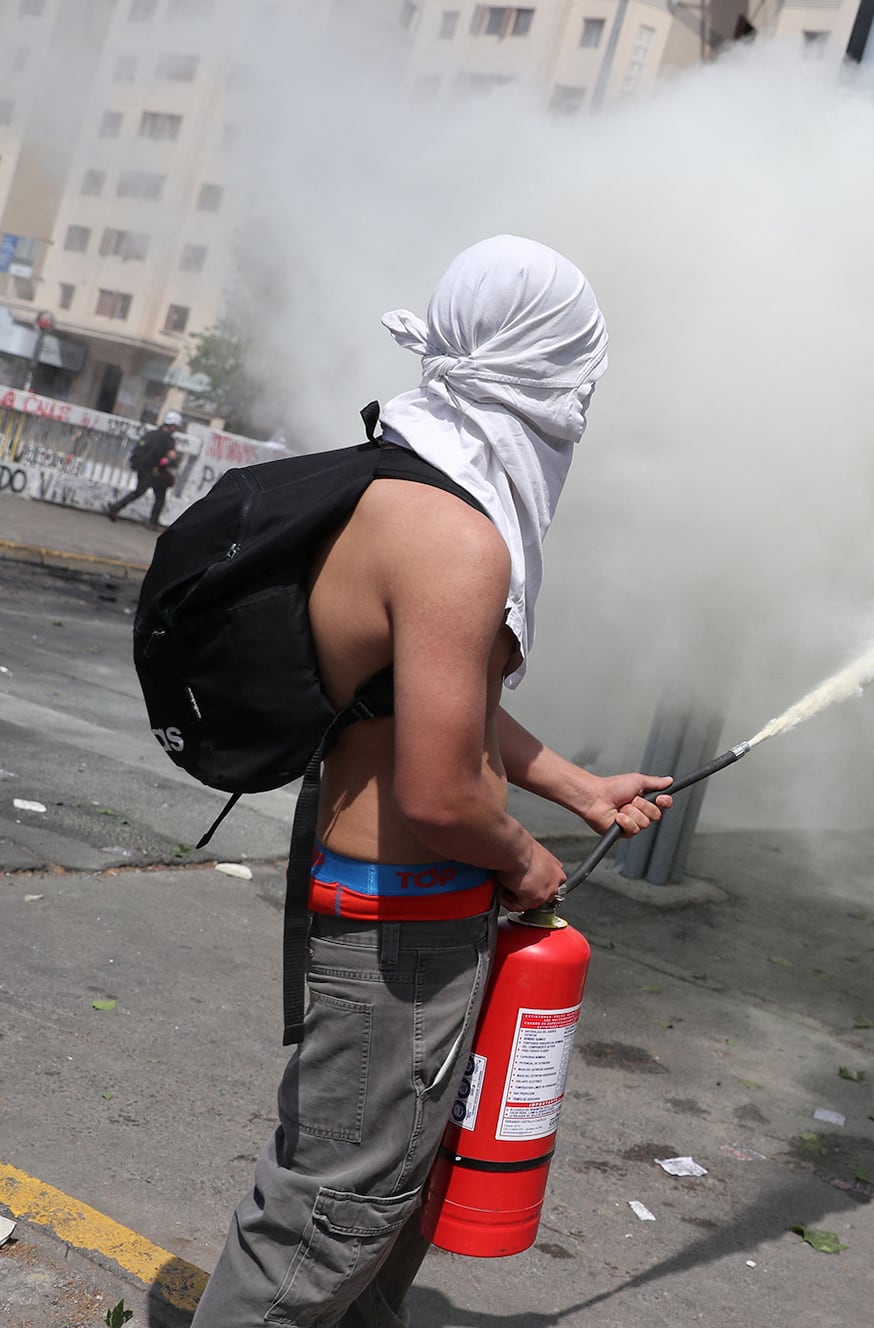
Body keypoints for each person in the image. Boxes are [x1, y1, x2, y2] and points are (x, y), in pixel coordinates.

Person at [192, 237, 675, 1327]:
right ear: (542, 370)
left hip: (381, 898)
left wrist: (578, 787)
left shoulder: (392, 485)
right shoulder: (459, 539)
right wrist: (527, 856)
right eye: (579, 370)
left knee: (391, 1199)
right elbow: (440, 793)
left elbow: (428, 702)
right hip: (399, 925)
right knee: (330, 1215)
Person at [106, 409, 183, 526]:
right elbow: (164, 456)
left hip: (143, 467)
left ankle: (117, 507)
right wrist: (163, 464)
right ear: (172, 426)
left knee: (144, 492)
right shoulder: (168, 439)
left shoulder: (151, 434)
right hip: (154, 470)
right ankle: (151, 521)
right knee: (155, 495)